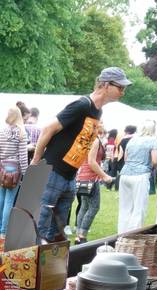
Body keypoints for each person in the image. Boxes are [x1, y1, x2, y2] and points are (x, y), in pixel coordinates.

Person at [32, 67, 132, 241]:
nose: (123, 92)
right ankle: (29, 265)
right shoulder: (82, 105)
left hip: (70, 177)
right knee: (40, 227)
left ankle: (50, 267)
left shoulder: (97, 111)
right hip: (53, 172)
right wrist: (35, 161)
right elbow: (48, 129)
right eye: (120, 87)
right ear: (107, 85)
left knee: (58, 234)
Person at [0, 106, 29, 238]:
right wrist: (26, 173)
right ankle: (5, 233)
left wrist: (3, 153)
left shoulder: (0, 132)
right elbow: (23, 157)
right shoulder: (21, 133)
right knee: (9, 202)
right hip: (15, 172)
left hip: (1, 170)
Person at [117, 120, 157, 233]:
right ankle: (134, 234)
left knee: (125, 208)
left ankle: (122, 234)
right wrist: (151, 167)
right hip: (140, 175)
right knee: (139, 208)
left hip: (125, 174)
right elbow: (155, 160)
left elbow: (126, 158)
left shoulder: (132, 140)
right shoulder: (153, 140)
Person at [74, 126, 115, 243]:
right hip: (91, 177)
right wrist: (105, 176)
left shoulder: (85, 138)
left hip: (82, 175)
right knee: (94, 207)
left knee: (84, 206)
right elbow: (92, 162)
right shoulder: (94, 140)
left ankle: (78, 236)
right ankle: (82, 235)